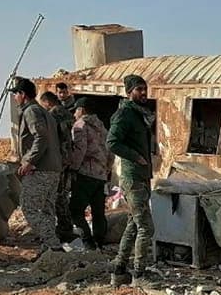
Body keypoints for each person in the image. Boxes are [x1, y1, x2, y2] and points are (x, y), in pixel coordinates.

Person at [107, 74, 155, 284]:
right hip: (133, 177)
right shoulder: (125, 114)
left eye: (145, 89)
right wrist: (136, 157)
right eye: (138, 90)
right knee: (146, 226)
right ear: (129, 92)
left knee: (133, 225)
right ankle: (139, 274)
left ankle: (119, 269)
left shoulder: (139, 114)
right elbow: (112, 142)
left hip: (142, 177)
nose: (143, 93)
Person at [12, 78, 62, 250]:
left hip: (40, 168)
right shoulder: (44, 112)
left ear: (22, 95)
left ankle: (54, 246)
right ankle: (49, 250)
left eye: (15, 94)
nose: (14, 98)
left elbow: (41, 137)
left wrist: (29, 161)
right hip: (53, 168)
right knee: (47, 211)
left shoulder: (31, 111)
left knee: (29, 208)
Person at [67, 97, 110, 250]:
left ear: (82, 110)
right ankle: (100, 242)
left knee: (75, 210)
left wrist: (73, 168)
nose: (74, 114)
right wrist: (106, 170)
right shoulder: (102, 127)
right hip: (101, 175)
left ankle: (88, 242)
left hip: (85, 174)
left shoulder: (80, 125)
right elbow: (109, 151)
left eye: (76, 110)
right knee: (98, 212)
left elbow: (80, 150)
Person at [38, 89, 76, 245]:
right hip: (69, 160)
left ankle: (63, 230)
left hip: (57, 161)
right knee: (63, 195)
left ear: (47, 102)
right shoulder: (67, 114)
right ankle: (65, 228)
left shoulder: (52, 115)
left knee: (57, 196)